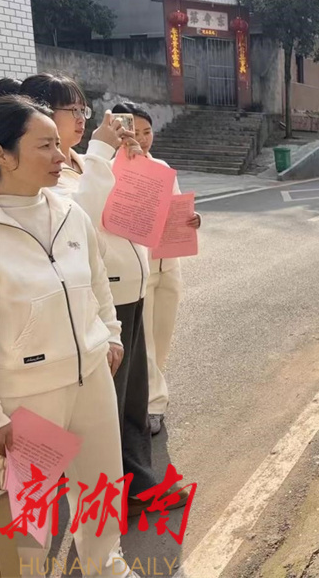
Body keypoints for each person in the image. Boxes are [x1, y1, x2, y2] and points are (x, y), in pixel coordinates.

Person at [19, 74, 189, 515]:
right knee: (103, 408)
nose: (80, 119)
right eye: (70, 110)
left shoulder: (81, 160)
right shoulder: (48, 170)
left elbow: (127, 213)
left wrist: (128, 162)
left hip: (124, 291)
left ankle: (135, 487)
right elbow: (83, 219)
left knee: (129, 400)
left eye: (83, 110)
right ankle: (110, 496)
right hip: (92, 301)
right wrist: (100, 153)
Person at [0, 94, 140, 577]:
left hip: (91, 378)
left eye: (58, 145)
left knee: (101, 483)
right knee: (31, 514)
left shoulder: (68, 212)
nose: (61, 156)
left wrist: (111, 336)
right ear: (3, 154)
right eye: (45, 146)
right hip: (29, 397)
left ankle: (106, 564)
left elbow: (98, 283)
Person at [111, 102, 201, 436]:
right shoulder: (112, 169)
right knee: (145, 342)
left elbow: (176, 211)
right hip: (140, 269)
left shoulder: (162, 168)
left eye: (147, 131)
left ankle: (147, 395)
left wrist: (193, 220)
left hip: (169, 265)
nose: (142, 138)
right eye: (135, 132)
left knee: (161, 338)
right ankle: (153, 405)